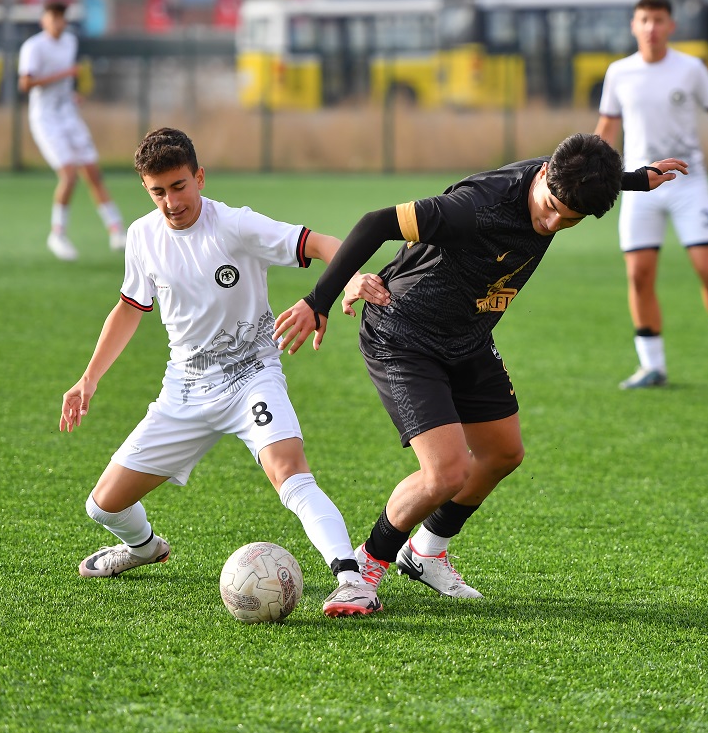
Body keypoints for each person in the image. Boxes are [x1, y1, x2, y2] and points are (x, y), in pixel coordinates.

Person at [274, 133, 686, 602]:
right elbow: (375, 223)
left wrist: (633, 180)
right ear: (545, 176)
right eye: (550, 206)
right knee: (446, 474)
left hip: (467, 336)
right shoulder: (474, 208)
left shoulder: (565, 179)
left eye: (567, 220)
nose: (550, 222)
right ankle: (367, 566)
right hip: (404, 335)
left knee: (504, 454)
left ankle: (426, 553)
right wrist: (317, 300)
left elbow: (578, 183)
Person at [60, 127, 382, 617]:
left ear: (200, 178)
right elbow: (129, 308)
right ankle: (145, 547)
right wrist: (89, 378)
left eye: (179, 186)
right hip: (183, 391)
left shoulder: (235, 225)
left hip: (251, 374)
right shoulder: (142, 237)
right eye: (158, 191)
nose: (171, 202)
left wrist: (351, 277)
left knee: (290, 474)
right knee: (102, 506)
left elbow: (320, 243)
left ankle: (350, 579)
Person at [594, 0, 708, 390]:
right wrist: (587, 176)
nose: (651, 28)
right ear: (634, 26)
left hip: (689, 183)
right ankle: (652, 365)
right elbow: (606, 130)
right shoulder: (619, 72)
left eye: (658, 20)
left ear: (671, 26)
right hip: (640, 185)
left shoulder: (691, 69)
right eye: (644, 20)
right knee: (639, 275)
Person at [19, 1, 125, 261]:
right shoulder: (34, 47)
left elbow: (64, 83)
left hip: (68, 114)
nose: (58, 22)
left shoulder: (69, 42)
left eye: (61, 17)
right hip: (45, 119)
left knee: (92, 171)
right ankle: (57, 235)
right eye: (52, 17)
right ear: (43, 20)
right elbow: (26, 83)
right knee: (69, 175)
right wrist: (65, 74)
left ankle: (116, 230)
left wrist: (72, 93)